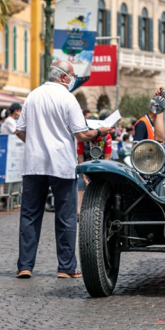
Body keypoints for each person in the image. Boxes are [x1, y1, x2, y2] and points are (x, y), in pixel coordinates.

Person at [14, 61, 113, 279]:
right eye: (72, 75)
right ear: (62, 77)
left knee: (29, 215)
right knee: (66, 217)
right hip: (60, 163)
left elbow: (19, 131)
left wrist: (35, 143)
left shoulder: (33, 96)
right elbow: (82, 135)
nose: (73, 78)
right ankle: (66, 268)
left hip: (34, 164)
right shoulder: (68, 99)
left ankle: (25, 266)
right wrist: (100, 131)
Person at [76, 109, 113, 214]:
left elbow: (107, 158)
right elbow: (80, 158)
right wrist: (84, 176)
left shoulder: (107, 137)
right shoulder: (82, 138)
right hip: (86, 164)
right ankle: (79, 211)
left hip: (101, 165)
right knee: (81, 182)